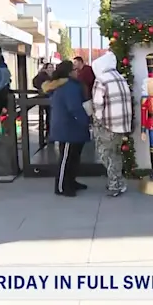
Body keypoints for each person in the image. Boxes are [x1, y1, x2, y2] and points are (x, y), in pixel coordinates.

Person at [42, 61, 90, 197]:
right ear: (69, 72)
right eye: (75, 69)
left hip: (71, 126)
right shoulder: (69, 87)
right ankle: (61, 186)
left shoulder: (68, 85)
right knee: (66, 158)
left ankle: (71, 181)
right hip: (69, 127)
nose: (77, 71)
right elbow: (74, 107)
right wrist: (86, 120)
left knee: (73, 157)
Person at [91, 51, 132, 197]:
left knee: (105, 154)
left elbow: (97, 104)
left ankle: (116, 184)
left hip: (108, 125)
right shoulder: (120, 78)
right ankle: (118, 182)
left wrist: (97, 121)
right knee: (115, 154)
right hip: (122, 124)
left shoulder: (101, 80)